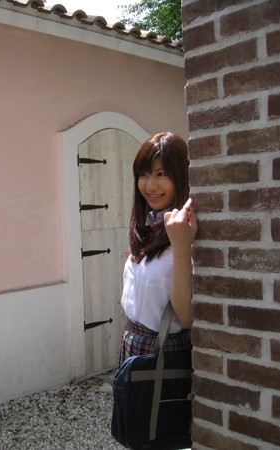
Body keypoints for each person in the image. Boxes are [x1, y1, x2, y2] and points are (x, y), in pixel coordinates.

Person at [117, 132, 197, 366]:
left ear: (180, 176)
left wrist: (181, 246)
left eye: (161, 174)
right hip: (134, 342)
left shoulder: (186, 232)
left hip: (163, 350)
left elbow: (187, 317)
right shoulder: (150, 227)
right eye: (144, 174)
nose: (150, 186)